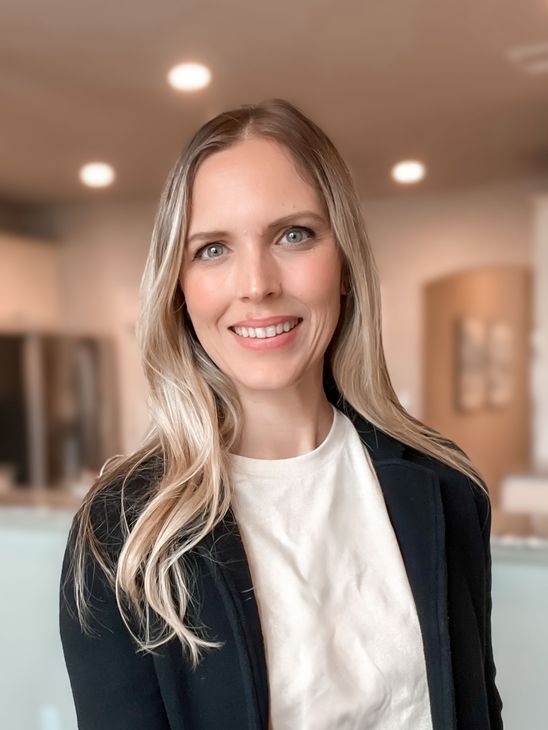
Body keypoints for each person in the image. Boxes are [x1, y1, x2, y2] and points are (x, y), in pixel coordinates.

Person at [59, 98, 504, 730]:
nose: (258, 283)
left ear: (343, 263)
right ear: (179, 290)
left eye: (293, 235)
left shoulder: (446, 486)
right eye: (213, 249)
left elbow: (479, 709)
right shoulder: (122, 536)